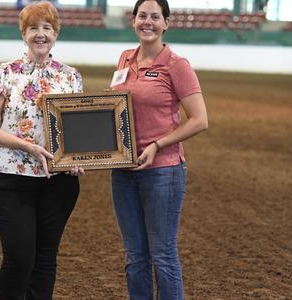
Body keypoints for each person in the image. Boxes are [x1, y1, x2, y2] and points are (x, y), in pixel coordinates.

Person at [0, 2, 84, 299]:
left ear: (55, 33)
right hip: (13, 179)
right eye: (34, 28)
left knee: (45, 260)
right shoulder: (5, 73)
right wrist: (25, 145)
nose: (40, 34)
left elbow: (73, 130)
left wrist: (76, 158)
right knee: (20, 259)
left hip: (59, 183)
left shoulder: (70, 76)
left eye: (47, 28)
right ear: (23, 34)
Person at [110, 0, 208, 299]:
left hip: (162, 171)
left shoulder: (177, 65)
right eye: (142, 16)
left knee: (162, 255)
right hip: (123, 171)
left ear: (166, 23)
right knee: (134, 256)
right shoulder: (125, 58)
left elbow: (200, 120)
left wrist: (157, 144)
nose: (147, 22)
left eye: (155, 17)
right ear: (133, 20)